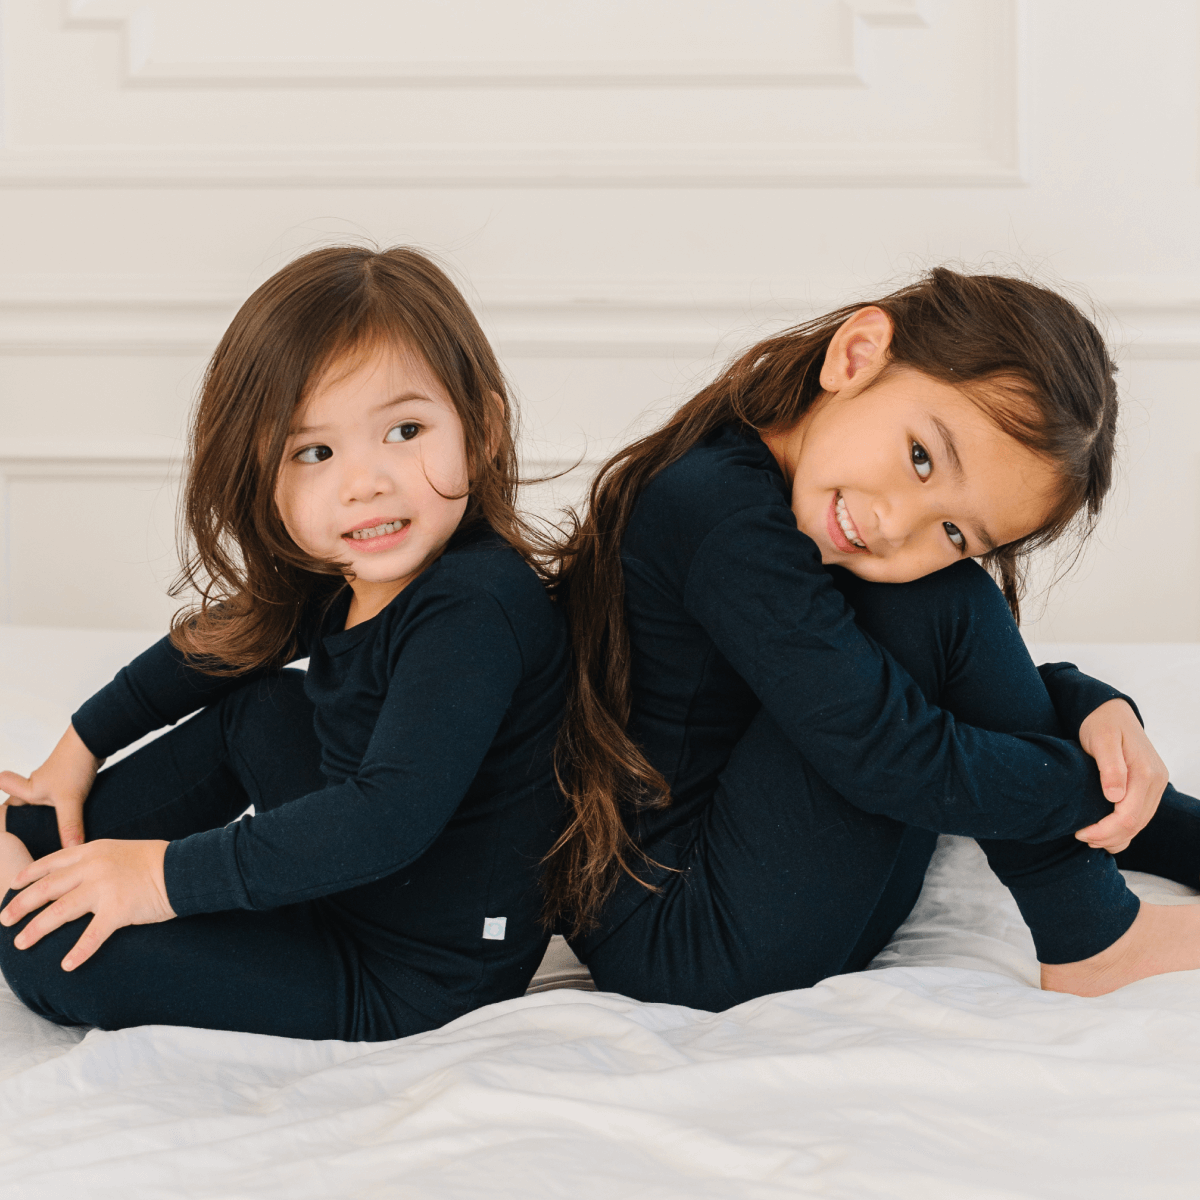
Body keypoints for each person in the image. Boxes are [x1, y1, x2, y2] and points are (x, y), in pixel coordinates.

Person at [549, 267, 1200, 1009]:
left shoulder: (804, 507)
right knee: (940, 600)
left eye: (954, 531)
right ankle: (1093, 935)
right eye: (921, 456)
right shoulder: (716, 510)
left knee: (933, 599)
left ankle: (1150, 846)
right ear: (856, 355)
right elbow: (889, 753)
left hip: (800, 891)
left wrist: (1089, 708)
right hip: (687, 935)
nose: (897, 524)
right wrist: (1083, 782)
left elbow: (903, 680)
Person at [0, 246, 568, 1041]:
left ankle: (28, 890)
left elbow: (383, 818)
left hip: (410, 971)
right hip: (353, 883)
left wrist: (161, 879)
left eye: (405, 430)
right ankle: (33, 846)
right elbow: (217, 650)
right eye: (315, 453)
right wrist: (78, 747)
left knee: (45, 952)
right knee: (261, 706)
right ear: (263, 476)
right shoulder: (358, 573)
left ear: (483, 429)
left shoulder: (474, 606)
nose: (364, 482)